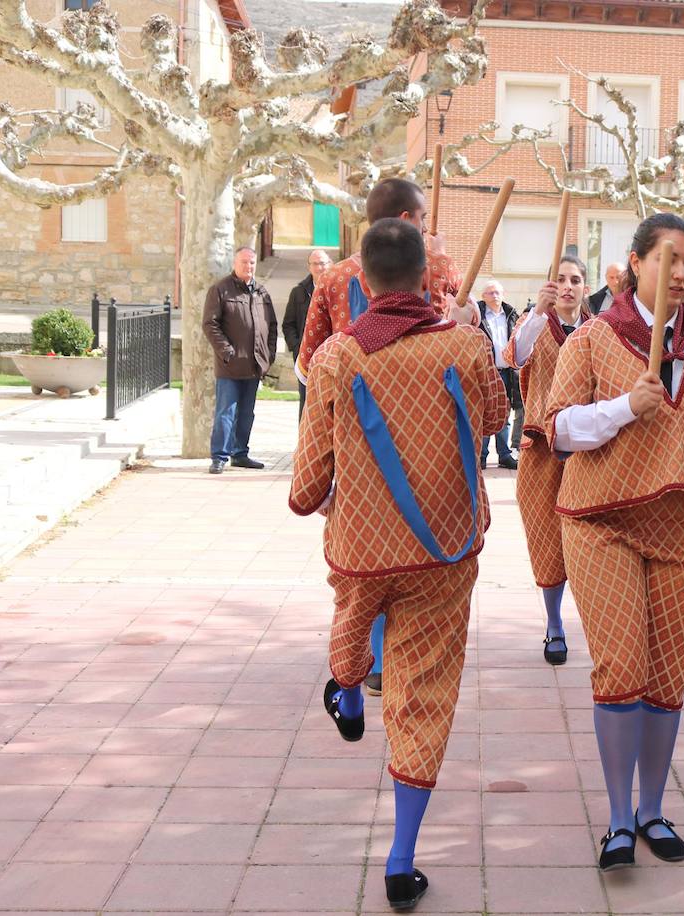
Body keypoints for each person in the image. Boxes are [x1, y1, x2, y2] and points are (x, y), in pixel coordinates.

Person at [289, 218, 507, 912]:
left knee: (353, 627)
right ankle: (401, 858)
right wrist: (463, 333)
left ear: (364, 281)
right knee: (423, 699)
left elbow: (305, 490)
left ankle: (349, 690)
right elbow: (497, 417)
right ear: (423, 278)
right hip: (443, 553)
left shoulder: (336, 359)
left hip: (362, 549)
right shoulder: (465, 346)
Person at [545, 212, 684, 870]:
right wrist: (626, 407)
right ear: (636, 263)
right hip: (602, 519)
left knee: (667, 678)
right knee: (621, 669)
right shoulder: (594, 340)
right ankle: (619, 818)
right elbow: (560, 429)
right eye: (671, 260)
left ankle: (654, 808)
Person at [504, 256, 591, 664]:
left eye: (575, 280)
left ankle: (597, 622)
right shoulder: (534, 324)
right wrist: (538, 311)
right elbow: (511, 356)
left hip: (589, 450)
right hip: (540, 448)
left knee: (591, 540)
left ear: (586, 288)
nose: (568, 286)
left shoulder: (600, 330)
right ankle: (554, 623)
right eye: (560, 279)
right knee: (545, 537)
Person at [295, 178, 463, 384]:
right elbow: (467, 323)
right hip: (429, 399)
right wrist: (440, 257)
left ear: (365, 282)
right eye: (423, 217)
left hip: (353, 402)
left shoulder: (332, 277)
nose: (426, 228)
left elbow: (307, 367)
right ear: (406, 218)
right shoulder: (440, 267)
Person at [203, 246, 277, 475]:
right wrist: (227, 352)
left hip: (254, 365)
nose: (249, 266)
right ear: (235, 264)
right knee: (226, 412)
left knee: (247, 413)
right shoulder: (220, 290)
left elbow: (271, 326)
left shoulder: (262, 292)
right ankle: (219, 457)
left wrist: (268, 355)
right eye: (244, 262)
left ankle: (240, 453)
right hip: (230, 366)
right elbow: (210, 324)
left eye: (252, 263)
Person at [283, 249, 333, 418]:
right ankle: (304, 443)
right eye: (316, 264)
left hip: (331, 358)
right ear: (309, 267)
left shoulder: (337, 288)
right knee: (306, 404)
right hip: (306, 358)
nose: (320, 268)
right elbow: (288, 325)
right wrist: (297, 347)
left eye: (323, 263)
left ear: (330, 264)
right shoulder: (298, 292)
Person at [478, 280, 520, 470]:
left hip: (507, 373)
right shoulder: (477, 316)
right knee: (485, 412)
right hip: (486, 372)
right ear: (483, 296)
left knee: (504, 412)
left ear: (503, 294)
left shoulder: (511, 314)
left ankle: (504, 454)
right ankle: (481, 455)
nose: (494, 296)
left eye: (497, 292)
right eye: (490, 293)